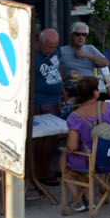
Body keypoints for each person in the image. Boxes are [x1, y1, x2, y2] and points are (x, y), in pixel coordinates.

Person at [62, 75, 110, 209]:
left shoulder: (74, 117)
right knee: (80, 161)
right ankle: (87, 197)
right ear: (96, 92)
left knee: (64, 159)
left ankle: (78, 200)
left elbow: (72, 146)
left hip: (91, 162)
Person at [31, 28, 65, 185]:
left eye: (55, 46)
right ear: (40, 43)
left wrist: (62, 87)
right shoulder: (32, 56)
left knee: (54, 137)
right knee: (45, 137)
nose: (52, 50)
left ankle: (44, 168)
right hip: (41, 102)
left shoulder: (55, 50)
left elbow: (58, 65)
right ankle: (41, 170)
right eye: (49, 47)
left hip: (54, 99)